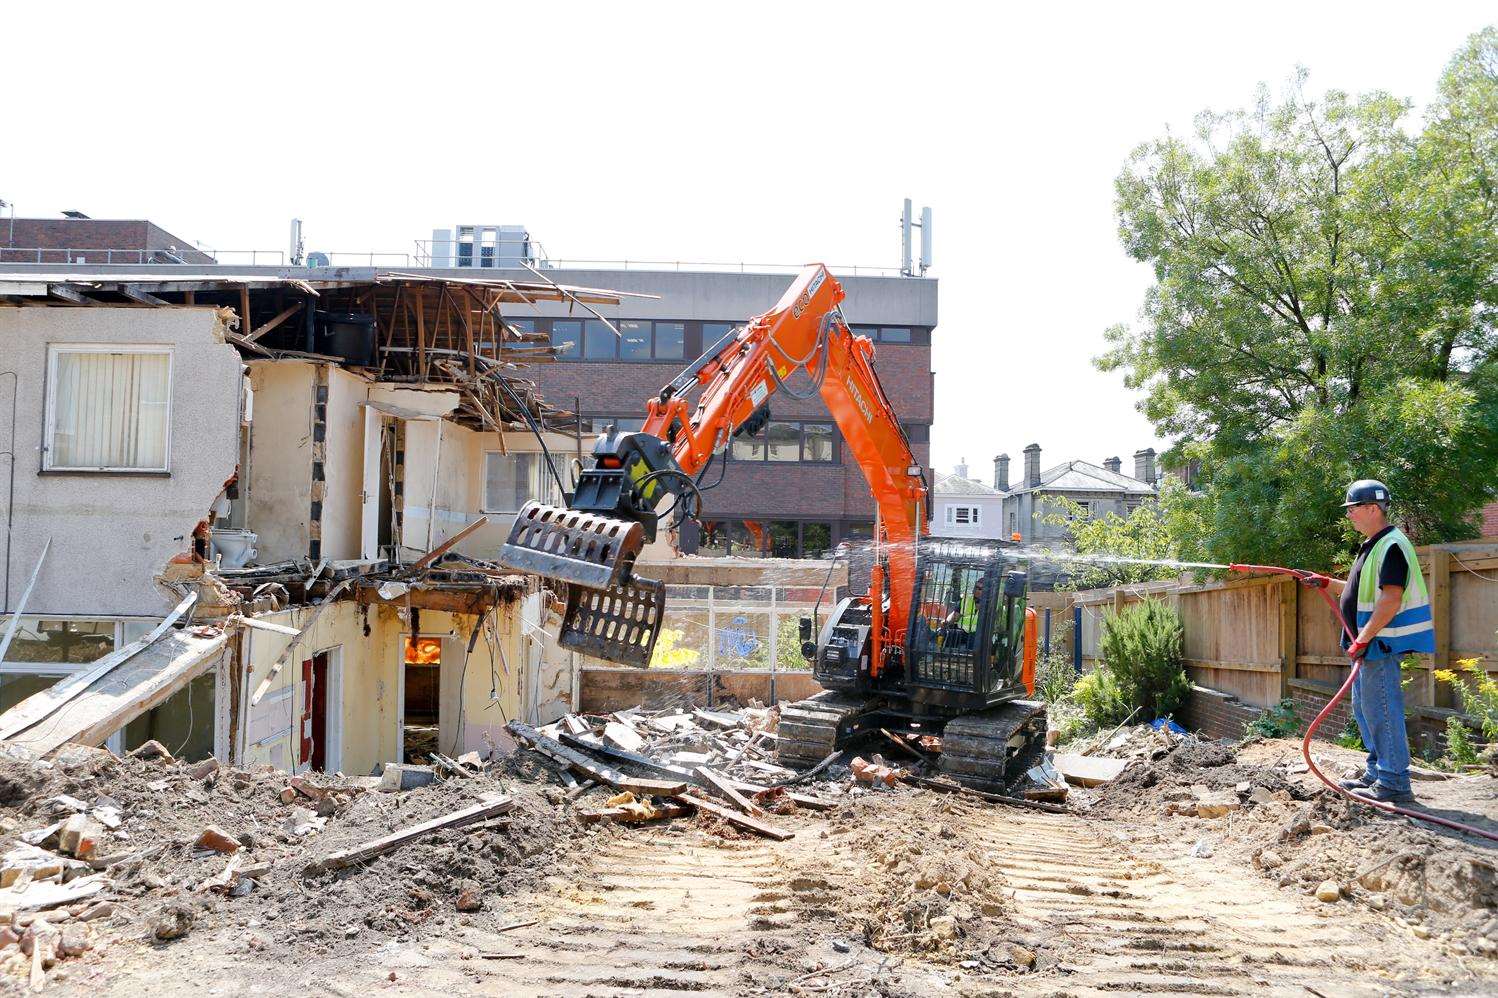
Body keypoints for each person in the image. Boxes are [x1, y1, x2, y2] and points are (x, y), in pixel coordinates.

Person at [1302, 480, 1434, 804]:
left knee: (1382, 710)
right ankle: (1378, 772)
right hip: (1368, 645)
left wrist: (1362, 638)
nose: (1349, 515)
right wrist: (1326, 583)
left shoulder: (1391, 545)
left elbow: (1390, 599)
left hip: (1380, 645)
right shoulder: (1374, 546)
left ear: (1373, 508)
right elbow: (1357, 589)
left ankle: (1393, 781)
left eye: (1353, 508)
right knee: (1366, 709)